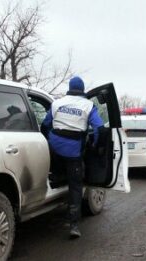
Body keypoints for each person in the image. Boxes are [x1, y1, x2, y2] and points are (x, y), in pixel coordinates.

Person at [41, 76, 104, 239]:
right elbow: (99, 128)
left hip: (54, 150)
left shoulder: (56, 103)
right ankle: (74, 225)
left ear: (70, 87)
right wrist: (95, 145)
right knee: (75, 186)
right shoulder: (88, 105)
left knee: (56, 171)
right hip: (73, 153)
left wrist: (47, 140)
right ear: (82, 90)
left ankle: (54, 181)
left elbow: (45, 124)